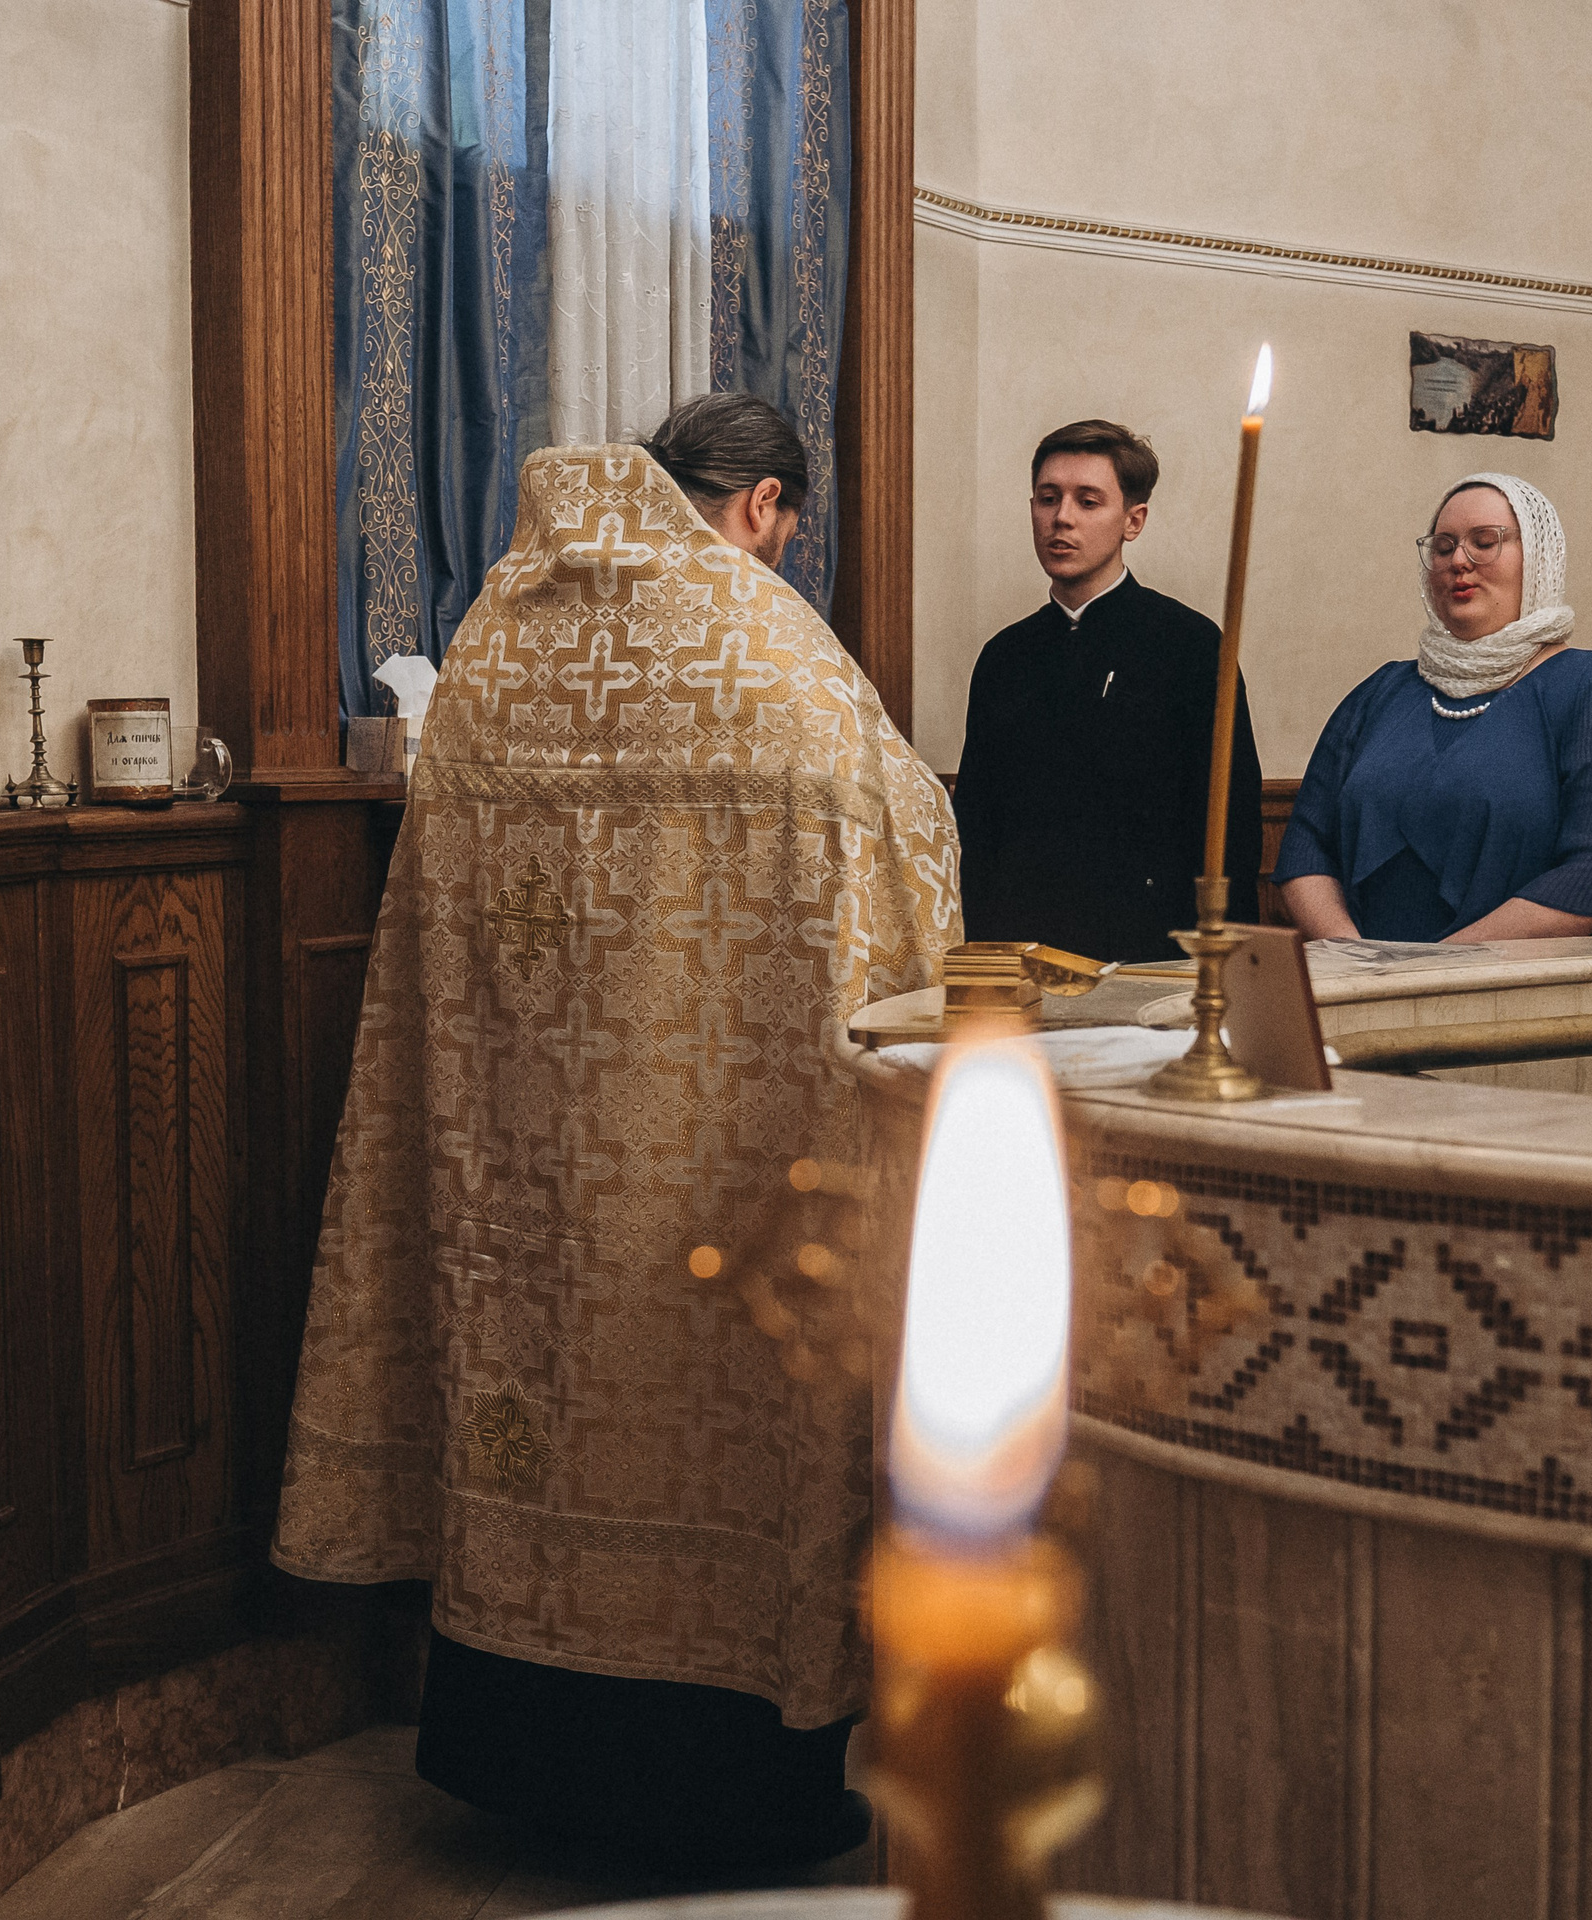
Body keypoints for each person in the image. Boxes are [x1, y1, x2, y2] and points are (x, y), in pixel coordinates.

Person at [271, 392, 961, 1869]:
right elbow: (902, 837)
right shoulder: (775, 654)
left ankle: (519, 1757)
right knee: (721, 1430)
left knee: (530, 1409)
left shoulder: (502, 633)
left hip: (519, 1156)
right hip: (723, 1160)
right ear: (766, 509)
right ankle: (729, 1792)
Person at [1275, 472, 1592, 943]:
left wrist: (1434, 972)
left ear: (1539, 559)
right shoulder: (1380, 692)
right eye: (1443, 548)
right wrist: (1355, 960)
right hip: (1363, 992)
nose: (1459, 561)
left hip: (1521, 998)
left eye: (1485, 542)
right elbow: (1306, 849)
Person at [951, 420, 1263, 962]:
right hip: (1022, 957)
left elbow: (1230, 828)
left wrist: (1221, 971)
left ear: (1132, 521)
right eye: (1048, 499)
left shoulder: (1191, 646)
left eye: (1087, 501)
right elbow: (977, 831)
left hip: (1149, 956)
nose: (1061, 518)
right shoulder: (1003, 657)